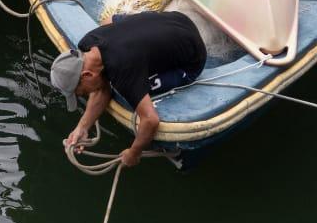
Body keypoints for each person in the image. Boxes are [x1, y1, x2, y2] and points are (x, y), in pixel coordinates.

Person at [50, 10, 206, 167]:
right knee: (110, 22)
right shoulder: (88, 41)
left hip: (192, 58)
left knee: (129, 90)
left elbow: (150, 120)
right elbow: (101, 85)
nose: (85, 94)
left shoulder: (122, 70)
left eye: (82, 92)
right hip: (175, 18)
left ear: (87, 75)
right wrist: (82, 128)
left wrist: (134, 153)